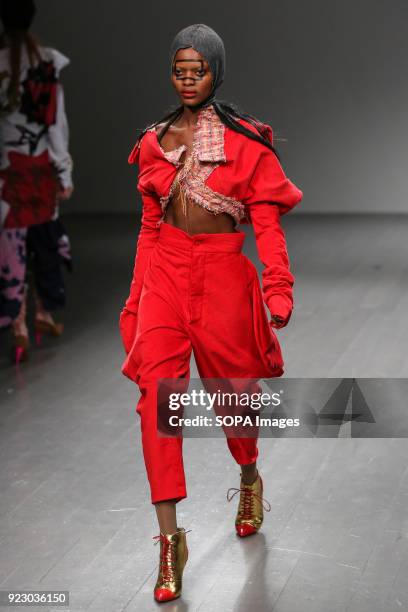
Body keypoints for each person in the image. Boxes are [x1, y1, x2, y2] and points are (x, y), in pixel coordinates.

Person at [119, 23, 303, 602]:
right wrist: (135, 298)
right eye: (180, 69)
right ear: (170, 73)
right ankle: (170, 541)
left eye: (199, 69)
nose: (188, 78)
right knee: (158, 399)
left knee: (233, 397)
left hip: (224, 275)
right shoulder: (155, 141)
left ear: (215, 73)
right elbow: (150, 229)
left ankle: (248, 475)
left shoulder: (246, 143)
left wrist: (278, 286)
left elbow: (267, 224)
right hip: (167, 276)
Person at [0, 0, 74, 364]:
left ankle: (17, 325)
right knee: (43, 241)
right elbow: (55, 124)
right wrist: (64, 171)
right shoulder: (46, 62)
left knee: (10, 246)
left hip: (4, 171)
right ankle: (44, 313)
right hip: (40, 167)